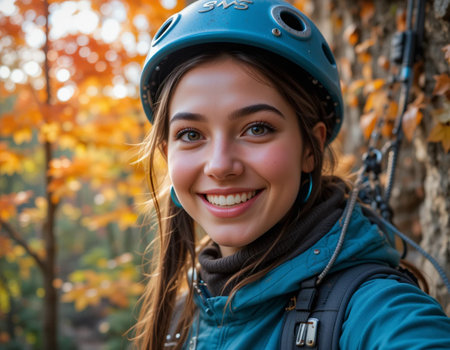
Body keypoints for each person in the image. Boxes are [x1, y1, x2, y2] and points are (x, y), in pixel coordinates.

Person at [133, 1, 450, 349]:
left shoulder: (372, 311)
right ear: (167, 154)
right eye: (191, 134)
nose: (220, 165)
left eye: (256, 128)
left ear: (310, 149)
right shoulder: (184, 314)